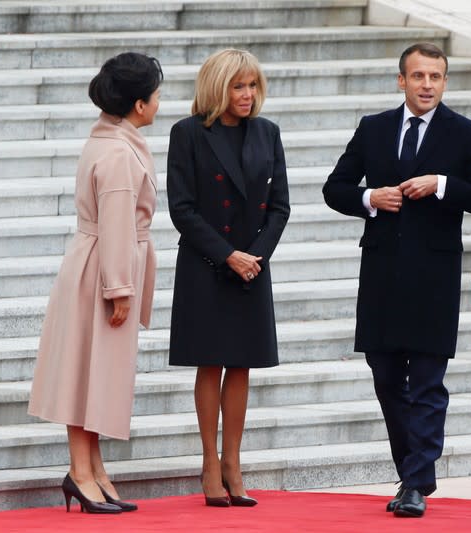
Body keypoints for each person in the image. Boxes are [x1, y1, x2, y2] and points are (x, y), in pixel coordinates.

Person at [322, 42, 471, 518]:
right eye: (418, 76)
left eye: (435, 77)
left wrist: (443, 185)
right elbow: (334, 188)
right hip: (380, 275)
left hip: (433, 279)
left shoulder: (464, 133)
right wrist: (370, 197)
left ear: (444, 81)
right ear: (401, 80)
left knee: (426, 382)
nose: (426, 85)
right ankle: (414, 472)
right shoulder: (373, 128)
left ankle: (415, 483)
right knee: (385, 378)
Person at [28, 52, 163, 514]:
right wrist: (119, 288)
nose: (159, 102)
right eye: (157, 94)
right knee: (89, 374)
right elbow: (119, 222)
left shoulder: (107, 139)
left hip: (95, 262)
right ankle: (81, 472)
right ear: (140, 105)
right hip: (105, 267)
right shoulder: (118, 152)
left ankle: (92, 468)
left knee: (91, 374)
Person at [166, 48, 290, 508]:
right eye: (239, 85)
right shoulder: (188, 133)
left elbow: (280, 206)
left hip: (252, 265)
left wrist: (253, 256)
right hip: (206, 263)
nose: (248, 94)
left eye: (253, 85)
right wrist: (227, 255)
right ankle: (208, 463)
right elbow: (182, 208)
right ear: (218, 87)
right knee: (210, 361)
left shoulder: (268, 132)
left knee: (242, 363)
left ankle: (234, 462)